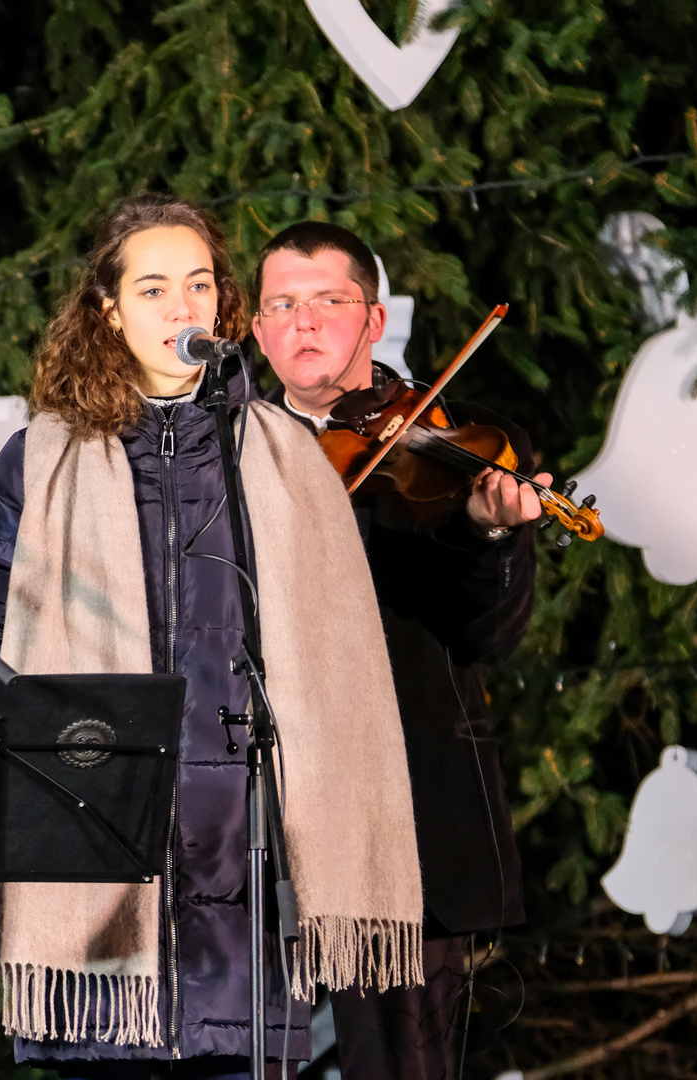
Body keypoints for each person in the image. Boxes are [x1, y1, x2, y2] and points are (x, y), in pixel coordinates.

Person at [0, 195, 427, 1079]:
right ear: (109, 312)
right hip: (91, 851)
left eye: (199, 285)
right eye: (154, 288)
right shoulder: (39, 458)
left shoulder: (282, 454)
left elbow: (339, 662)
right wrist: (42, 741)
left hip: (245, 870)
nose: (182, 307)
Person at [249, 222, 540, 1080]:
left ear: (374, 321)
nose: (304, 322)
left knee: (400, 1066)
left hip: (404, 818)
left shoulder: (456, 447)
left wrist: (485, 535)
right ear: (258, 331)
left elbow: (489, 635)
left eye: (328, 301)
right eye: (282, 306)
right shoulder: (226, 452)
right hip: (259, 820)